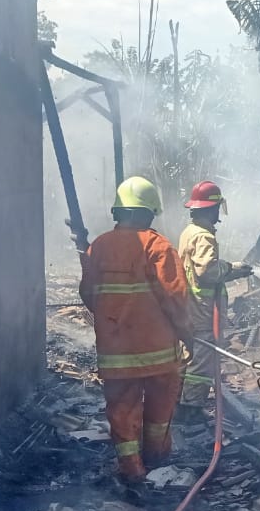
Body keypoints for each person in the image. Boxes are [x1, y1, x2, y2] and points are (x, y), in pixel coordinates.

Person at [79, 176, 192, 483]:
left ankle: (133, 471)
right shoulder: (158, 246)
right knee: (159, 409)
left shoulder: (98, 247)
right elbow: (176, 298)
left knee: (122, 410)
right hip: (158, 353)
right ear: (148, 213)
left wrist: (111, 320)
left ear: (119, 212)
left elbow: (89, 294)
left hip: (117, 354)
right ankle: (157, 460)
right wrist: (188, 335)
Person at [176, 181, 251, 422]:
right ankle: (191, 410)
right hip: (203, 309)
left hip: (190, 305)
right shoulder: (204, 236)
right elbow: (207, 271)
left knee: (189, 355)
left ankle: (178, 403)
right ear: (212, 209)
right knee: (204, 358)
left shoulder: (189, 231)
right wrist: (233, 269)